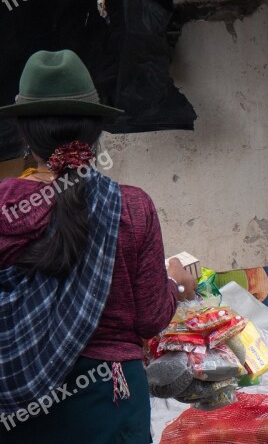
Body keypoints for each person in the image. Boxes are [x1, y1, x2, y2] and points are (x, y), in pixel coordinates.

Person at [0, 49, 197, 443]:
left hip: (17, 399)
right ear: (95, 130)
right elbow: (150, 319)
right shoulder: (131, 206)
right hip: (109, 396)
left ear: (24, 132)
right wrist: (176, 286)